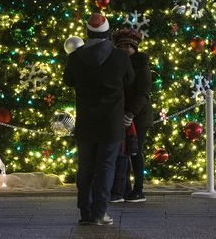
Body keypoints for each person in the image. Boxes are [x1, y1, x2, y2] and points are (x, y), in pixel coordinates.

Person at [63, 12, 133, 226]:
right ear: (108, 33)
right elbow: (129, 80)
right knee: (106, 166)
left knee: (85, 166)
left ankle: (85, 212)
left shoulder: (75, 57)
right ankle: (100, 212)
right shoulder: (120, 57)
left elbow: (68, 80)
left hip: (86, 121)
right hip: (111, 122)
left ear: (87, 32)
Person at [110, 28, 152, 202]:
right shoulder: (117, 64)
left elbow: (143, 92)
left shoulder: (141, 65)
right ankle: (124, 188)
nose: (125, 49)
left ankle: (138, 189)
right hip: (122, 115)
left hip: (138, 117)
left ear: (135, 48)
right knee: (123, 153)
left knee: (135, 152)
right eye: (122, 46)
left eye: (128, 46)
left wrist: (131, 113)